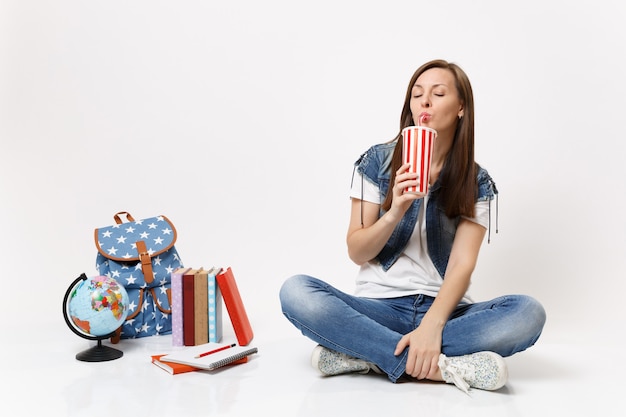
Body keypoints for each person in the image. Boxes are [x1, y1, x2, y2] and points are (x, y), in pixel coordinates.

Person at [279, 59, 546, 393]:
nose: (425, 101)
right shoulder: (376, 163)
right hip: (378, 307)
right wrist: (395, 210)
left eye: (438, 93)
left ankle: (365, 354)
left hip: (446, 312)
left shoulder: (476, 182)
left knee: (527, 313)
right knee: (297, 292)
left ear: (461, 107)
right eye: (417, 94)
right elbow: (357, 251)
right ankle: (442, 367)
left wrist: (432, 325)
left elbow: (462, 264)